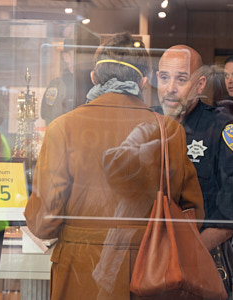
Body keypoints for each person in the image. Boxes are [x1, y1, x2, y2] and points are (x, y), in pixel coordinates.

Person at [25, 33, 204, 300]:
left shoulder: (62, 128)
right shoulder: (168, 131)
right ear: (144, 82)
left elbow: (43, 222)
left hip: (81, 271)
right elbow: (194, 213)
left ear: (94, 78)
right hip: (150, 274)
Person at [154, 45, 233, 298]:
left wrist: (190, 250)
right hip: (149, 265)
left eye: (182, 79)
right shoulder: (146, 125)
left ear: (200, 85)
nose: (171, 88)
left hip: (204, 263)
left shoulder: (222, 129)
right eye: (165, 78)